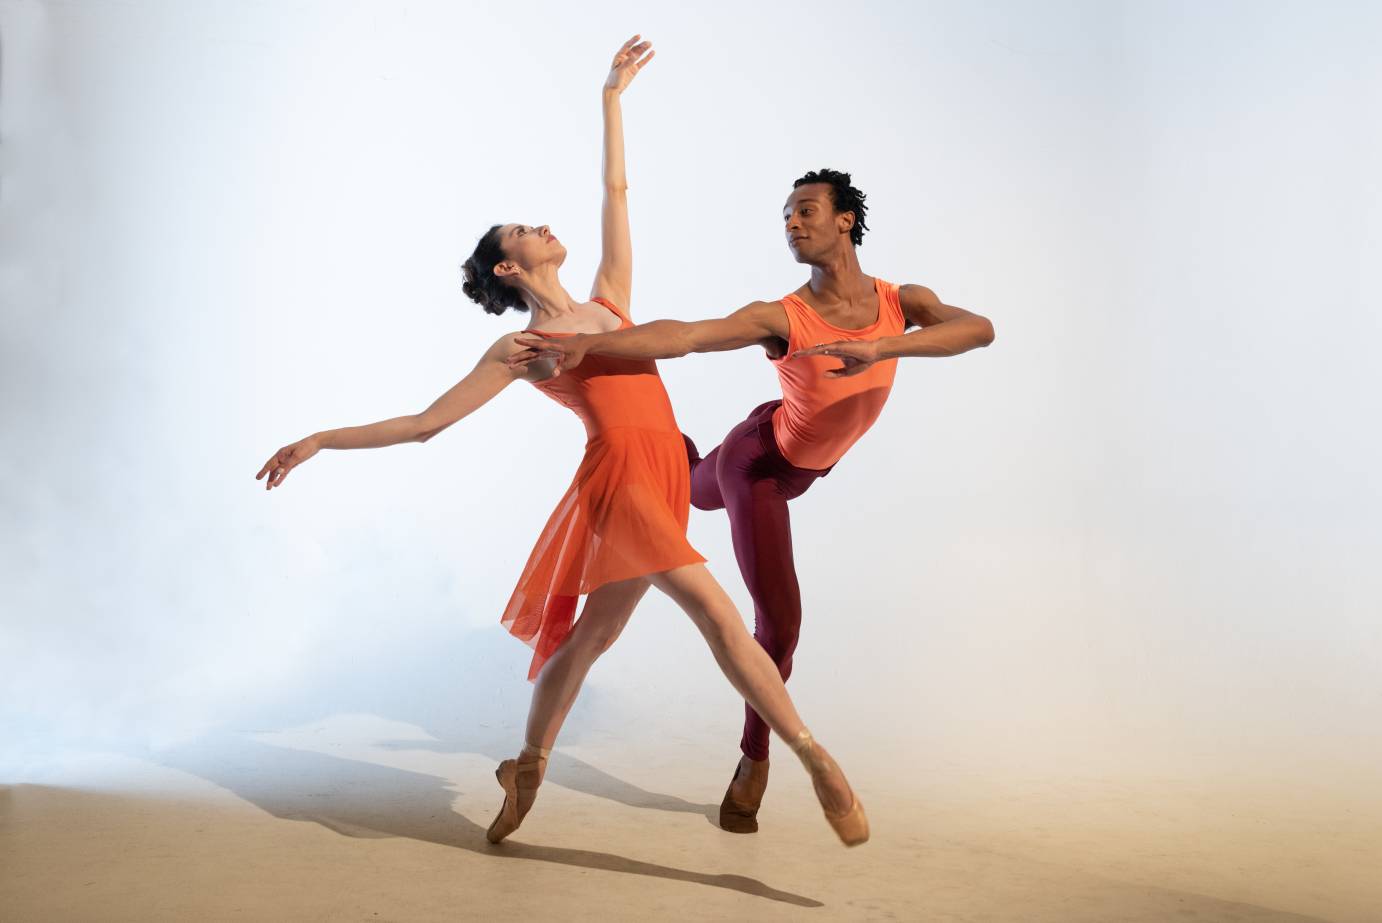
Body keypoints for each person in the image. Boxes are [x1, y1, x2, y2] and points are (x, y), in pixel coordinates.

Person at [254, 37, 866, 847]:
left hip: (664, 469)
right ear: (509, 269)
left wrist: (611, 97)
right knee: (718, 614)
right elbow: (427, 423)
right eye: (524, 231)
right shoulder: (523, 351)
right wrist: (321, 439)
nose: (543, 228)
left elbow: (616, 189)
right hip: (620, 482)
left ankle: (527, 761)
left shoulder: (610, 302)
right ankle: (814, 758)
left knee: (590, 638)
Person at [511, 167, 996, 834]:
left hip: (797, 465)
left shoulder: (901, 300)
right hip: (760, 466)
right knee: (779, 621)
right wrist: (596, 343)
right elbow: (685, 335)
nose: (793, 223)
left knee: (694, 482)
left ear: (846, 220)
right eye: (787, 216)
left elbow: (979, 329)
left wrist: (882, 345)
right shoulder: (783, 316)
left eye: (806, 211)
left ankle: (675, 457)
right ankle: (753, 762)